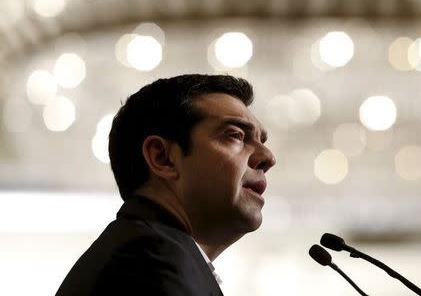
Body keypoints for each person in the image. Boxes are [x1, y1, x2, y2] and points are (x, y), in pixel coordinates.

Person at [55, 74, 276, 296]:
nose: (268, 157)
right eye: (236, 135)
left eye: (261, 141)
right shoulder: (148, 265)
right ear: (163, 158)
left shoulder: (152, 253)